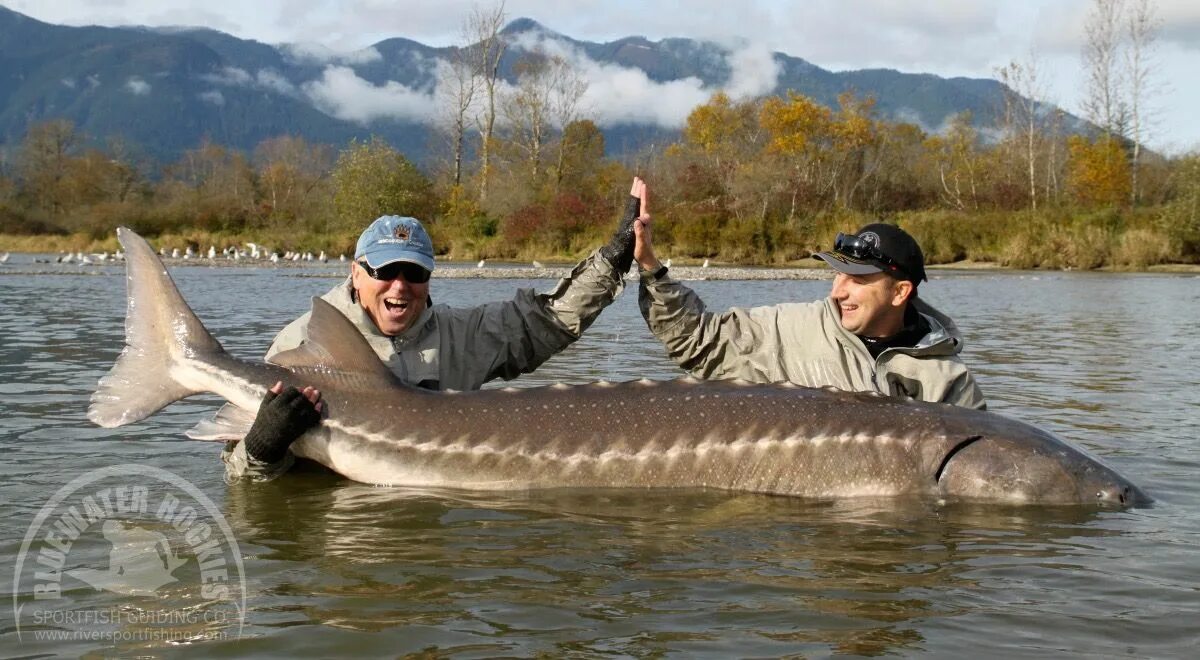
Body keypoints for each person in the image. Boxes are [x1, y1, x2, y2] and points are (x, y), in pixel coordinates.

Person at [224, 178, 650, 480]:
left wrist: (614, 259)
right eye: (385, 271)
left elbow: (544, 324)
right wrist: (263, 447)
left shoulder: (457, 334)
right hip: (332, 528)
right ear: (356, 273)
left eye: (414, 272)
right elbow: (239, 483)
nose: (400, 286)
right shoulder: (303, 345)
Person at [630, 183, 985, 410]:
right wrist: (650, 265)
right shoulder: (791, 328)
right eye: (838, 273)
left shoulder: (947, 379)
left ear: (900, 292)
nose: (838, 290)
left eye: (859, 280)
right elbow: (697, 340)